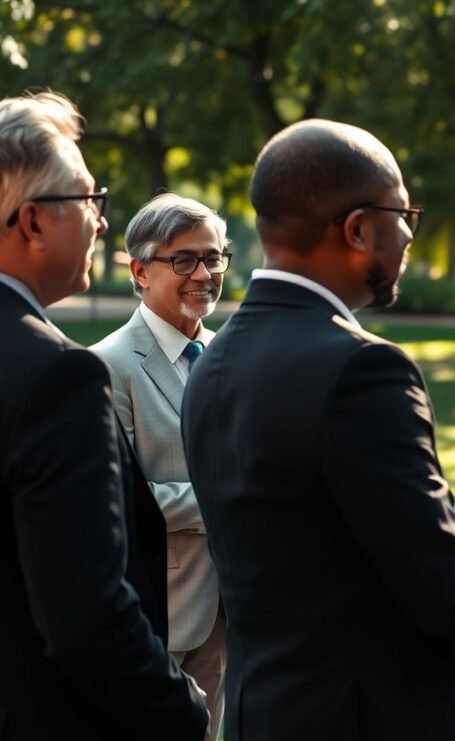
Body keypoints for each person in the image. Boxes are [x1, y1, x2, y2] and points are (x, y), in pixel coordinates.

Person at [180, 119, 455, 741]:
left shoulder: (214, 363)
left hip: (269, 713)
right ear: (360, 228)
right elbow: (447, 592)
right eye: (405, 215)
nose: (409, 235)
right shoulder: (364, 369)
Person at [0, 92, 207, 739]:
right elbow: (86, 617)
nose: (99, 221)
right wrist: (185, 709)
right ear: (32, 222)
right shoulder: (58, 375)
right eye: (88, 200)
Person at [91, 193, 231, 740]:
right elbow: (126, 499)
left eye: (214, 257)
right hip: (159, 612)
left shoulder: (228, 357)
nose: (203, 273)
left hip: (233, 608)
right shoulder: (107, 366)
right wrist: (229, 498)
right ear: (140, 271)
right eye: (184, 260)